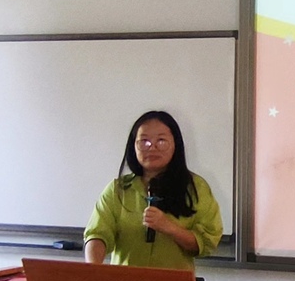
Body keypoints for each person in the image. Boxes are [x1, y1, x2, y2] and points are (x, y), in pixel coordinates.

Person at [84, 110, 223, 271]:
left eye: (161, 141)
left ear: (175, 145)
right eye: (144, 141)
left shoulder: (196, 188)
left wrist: (169, 227)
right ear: (133, 146)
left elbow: (207, 241)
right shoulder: (118, 190)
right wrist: (93, 271)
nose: (152, 148)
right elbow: (97, 234)